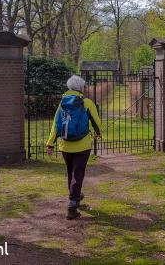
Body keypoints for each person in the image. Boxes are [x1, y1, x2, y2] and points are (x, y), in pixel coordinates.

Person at [46, 75, 102, 220]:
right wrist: (98, 134)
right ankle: (72, 204)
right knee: (78, 174)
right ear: (81, 88)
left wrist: (50, 143)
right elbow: (96, 122)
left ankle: (75, 195)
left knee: (71, 172)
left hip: (65, 145)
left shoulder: (62, 103)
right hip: (82, 145)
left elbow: (55, 124)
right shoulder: (87, 103)